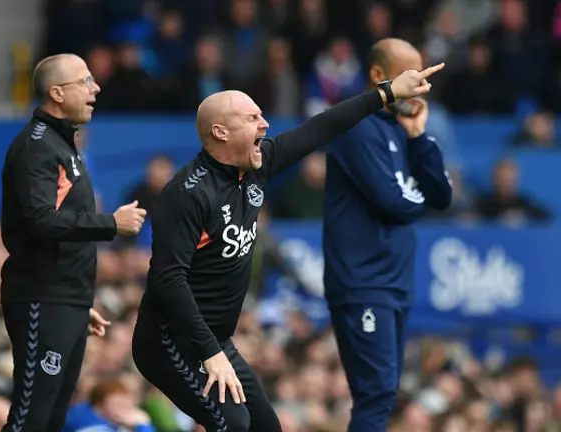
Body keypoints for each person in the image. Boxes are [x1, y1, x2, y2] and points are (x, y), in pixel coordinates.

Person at [131, 61, 445, 431]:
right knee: (233, 424)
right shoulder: (187, 195)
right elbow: (169, 280)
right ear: (220, 131)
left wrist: (387, 92)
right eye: (252, 119)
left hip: (214, 339)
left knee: (267, 427)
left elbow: (320, 127)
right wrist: (210, 352)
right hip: (169, 340)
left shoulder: (258, 165)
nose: (264, 125)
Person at [0, 54, 147, 432]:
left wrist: (80, 300)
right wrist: (110, 224)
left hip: (65, 298)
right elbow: (41, 220)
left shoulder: (64, 145)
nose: (95, 89)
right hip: (41, 296)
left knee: (51, 419)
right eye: (85, 82)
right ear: (56, 93)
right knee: (30, 417)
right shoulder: (38, 148)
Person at [322, 38, 453, 432]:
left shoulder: (403, 129)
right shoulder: (356, 126)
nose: (420, 85)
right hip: (363, 282)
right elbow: (394, 201)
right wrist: (421, 198)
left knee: (384, 392)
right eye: (412, 75)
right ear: (379, 76)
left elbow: (442, 196)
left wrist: (418, 139)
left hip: (394, 282)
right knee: (376, 394)